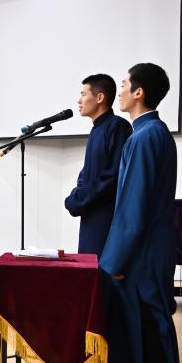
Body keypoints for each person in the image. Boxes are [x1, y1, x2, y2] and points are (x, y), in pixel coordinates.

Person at [99, 63, 181, 363]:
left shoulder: (144, 138)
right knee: (152, 319)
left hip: (143, 251)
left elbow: (132, 208)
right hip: (152, 245)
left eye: (123, 85)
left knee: (147, 321)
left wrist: (113, 262)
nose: (119, 92)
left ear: (139, 92)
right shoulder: (155, 133)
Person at [65, 74, 133, 256]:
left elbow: (113, 176)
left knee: (101, 266)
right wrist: (76, 196)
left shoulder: (118, 126)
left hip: (106, 217)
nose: (79, 100)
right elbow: (87, 173)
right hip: (90, 213)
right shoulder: (96, 129)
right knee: (89, 265)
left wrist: (79, 199)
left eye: (83, 94)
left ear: (100, 97)